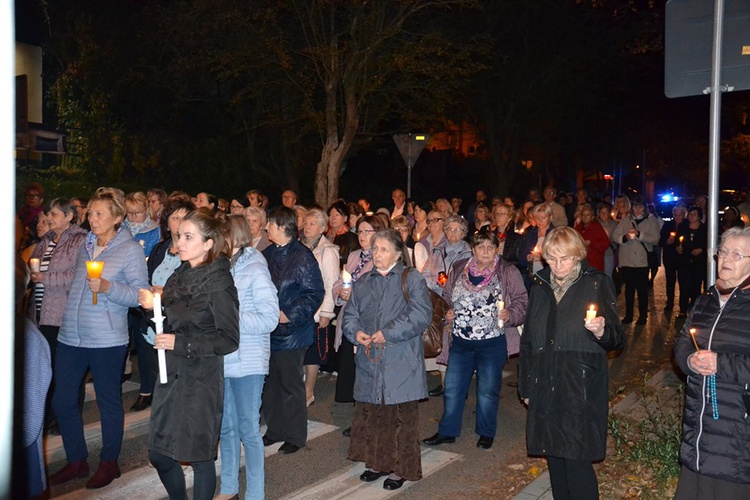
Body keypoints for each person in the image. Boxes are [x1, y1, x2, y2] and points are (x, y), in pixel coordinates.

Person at [49, 188, 149, 489]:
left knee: (108, 403)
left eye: (99, 213)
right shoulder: (85, 244)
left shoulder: (130, 249)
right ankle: (77, 460)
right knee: (62, 399)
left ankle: (109, 462)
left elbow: (139, 295)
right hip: (71, 335)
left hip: (107, 339)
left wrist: (108, 287)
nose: (92, 219)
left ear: (117, 217)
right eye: (90, 213)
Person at [519, 226, 625, 500]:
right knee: (554, 457)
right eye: (552, 258)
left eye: (564, 258)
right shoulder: (540, 286)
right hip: (546, 380)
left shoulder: (596, 283)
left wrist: (602, 331)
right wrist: (527, 386)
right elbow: (529, 340)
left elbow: (617, 339)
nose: (557, 265)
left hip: (580, 384)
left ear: (577, 255)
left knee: (576, 459)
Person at [140, 210, 240, 500]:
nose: (179, 242)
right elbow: (172, 317)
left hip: (200, 379)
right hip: (170, 373)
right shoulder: (181, 275)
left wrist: (180, 343)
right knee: (159, 453)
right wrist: (154, 305)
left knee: (199, 457)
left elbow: (229, 339)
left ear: (208, 244)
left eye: (188, 237)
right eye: (178, 235)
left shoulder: (220, 284)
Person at [343, 229, 432, 490]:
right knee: (375, 414)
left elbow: (420, 314)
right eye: (375, 249)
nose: (377, 254)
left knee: (400, 415)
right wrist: (355, 331)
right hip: (370, 359)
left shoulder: (410, 277)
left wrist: (387, 333)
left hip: (400, 359)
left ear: (397, 252)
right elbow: (350, 315)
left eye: (383, 249)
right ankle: (378, 463)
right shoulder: (363, 281)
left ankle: (400, 468)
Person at [424, 229, 527, 449]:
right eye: (481, 247)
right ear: (473, 249)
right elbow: (446, 297)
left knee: (487, 391)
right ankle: (447, 431)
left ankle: (486, 432)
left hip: (492, 342)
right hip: (461, 341)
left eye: (491, 247)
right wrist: (447, 313)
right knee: (452, 389)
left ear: (497, 248)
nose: (486, 251)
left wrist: (510, 314)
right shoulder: (460, 267)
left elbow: (521, 300)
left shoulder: (507, 271)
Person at [672, 226, 750, 499]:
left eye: (737, 255)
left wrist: (721, 363)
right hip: (699, 431)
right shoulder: (707, 299)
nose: (726, 259)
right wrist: (689, 360)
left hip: (737, 436)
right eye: (723, 252)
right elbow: (682, 342)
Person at [216, 215, 279, 500]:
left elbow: (269, 318)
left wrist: (231, 319)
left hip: (249, 359)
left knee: (248, 430)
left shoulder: (255, 267)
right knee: (226, 427)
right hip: (223, 358)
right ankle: (228, 487)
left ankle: (256, 492)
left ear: (234, 237)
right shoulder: (221, 267)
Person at [261, 207, 325, 454]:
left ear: (281, 227)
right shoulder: (266, 254)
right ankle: (275, 429)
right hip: (268, 330)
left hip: (292, 333)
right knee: (270, 385)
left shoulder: (303, 257)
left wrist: (289, 315)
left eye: (270, 224)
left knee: (291, 385)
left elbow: (314, 293)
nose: (266, 228)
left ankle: (296, 436)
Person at [28, 198, 86, 430]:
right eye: (48, 215)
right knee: (45, 367)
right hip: (41, 313)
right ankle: (50, 415)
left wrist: (45, 278)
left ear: (69, 216)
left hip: (63, 314)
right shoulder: (45, 241)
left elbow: (78, 276)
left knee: (66, 371)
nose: (48, 219)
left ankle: (67, 420)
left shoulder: (79, 240)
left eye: (53, 214)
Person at [134, 198, 196, 413]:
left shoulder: (194, 253)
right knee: (154, 368)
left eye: (184, 218)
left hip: (177, 323)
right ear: (167, 222)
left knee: (175, 377)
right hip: (152, 317)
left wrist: (166, 293)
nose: (179, 222)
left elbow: (194, 289)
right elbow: (147, 275)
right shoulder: (160, 248)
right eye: (175, 217)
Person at [331, 215, 387, 435]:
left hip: (369, 325)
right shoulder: (355, 256)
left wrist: (355, 294)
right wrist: (341, 292)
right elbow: (339, 281)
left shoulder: (382, 257)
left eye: (368, 232)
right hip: (350, 323)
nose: (363, 236)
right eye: (360, 232)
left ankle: (371, 422)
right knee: (355, 374)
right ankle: (361, 420)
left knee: (369, 375)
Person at [301, 208, 340, 406]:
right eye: (306, 223)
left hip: (316, 310)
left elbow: (332, 283)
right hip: (299, 308)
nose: (307, 227)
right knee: (300, 349)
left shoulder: (328, 250)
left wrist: (326, 312)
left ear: (323, 228)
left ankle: (309, 391)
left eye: (312, 224)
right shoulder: (299, 247)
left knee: (313, 352)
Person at [611, 195, 660, 324]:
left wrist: (640, 235)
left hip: (642, 261)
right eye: (635, 207)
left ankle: (643, 316)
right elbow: (615, 236)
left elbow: (655, 238)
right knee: (629, 289)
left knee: (642, 290)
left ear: (644, 208)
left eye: (640, 207)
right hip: (627, 260)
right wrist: (625, 237)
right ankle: (629, 315)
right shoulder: (626, 220)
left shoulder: (651, 220)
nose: (637, 210)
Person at [676, 206, 708, 318]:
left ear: (699, 216)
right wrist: (678, 247)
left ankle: (695, 309)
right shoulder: (683, 227)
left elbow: (709, 244)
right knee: (683, 286)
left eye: (694, 214)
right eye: (690, 214)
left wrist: (701, 250)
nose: (691, 216)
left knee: (696, 286)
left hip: (698, 263)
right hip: (684, 262)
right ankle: (682, 309)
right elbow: (678, 242)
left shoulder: (705, 229)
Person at [659, 203, 688, 312]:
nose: (677, 218)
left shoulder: (687, 225)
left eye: (679, 215)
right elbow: (660, 241)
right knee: (670, 281)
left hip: (682, 259)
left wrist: (682, 247)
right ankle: (670, 301)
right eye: (675, 215)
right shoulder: (668, 225)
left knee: (683, 282)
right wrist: (667, 241)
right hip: (670, 257)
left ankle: (683, 307)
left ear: (684, 215)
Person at [518, 203, 554, 289]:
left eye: (543, 218)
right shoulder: (530, 233)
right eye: (537, 218)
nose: (540, 221)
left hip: (548, 277)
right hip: (531, 277)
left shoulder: (555, 234)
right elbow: (521, 258)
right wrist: (528, 257)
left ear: (550, 217)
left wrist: (542, 257)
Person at [574, 204, 610, 272]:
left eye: (588, 215)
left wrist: (591, 243)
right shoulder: (577, 228)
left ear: (592, 217)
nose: (585, 217)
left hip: (594, 262)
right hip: (580, 262)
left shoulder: (597, 228)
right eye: (583, 215)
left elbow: (605, 244)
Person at [327, 200, 359, 268]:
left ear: (345, 218)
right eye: (330, 215)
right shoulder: (324, 236)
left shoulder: (352, 238)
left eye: (337, 215)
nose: (333, 218)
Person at [19, 182, 46, 246]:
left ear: (41, 199)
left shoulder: (44, 215)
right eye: (29, 195)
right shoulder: (20, 213)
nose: (32, 198)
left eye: (36, 196)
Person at [596, 204, 617, 278]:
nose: (604, 215)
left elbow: (616, 239)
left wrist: (610, 239)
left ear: (609, 213)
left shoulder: (614, 224)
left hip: (608, 252)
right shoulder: (595, 224)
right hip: (597, 253)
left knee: (607, 275)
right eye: (602, 212)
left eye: (606, 212)